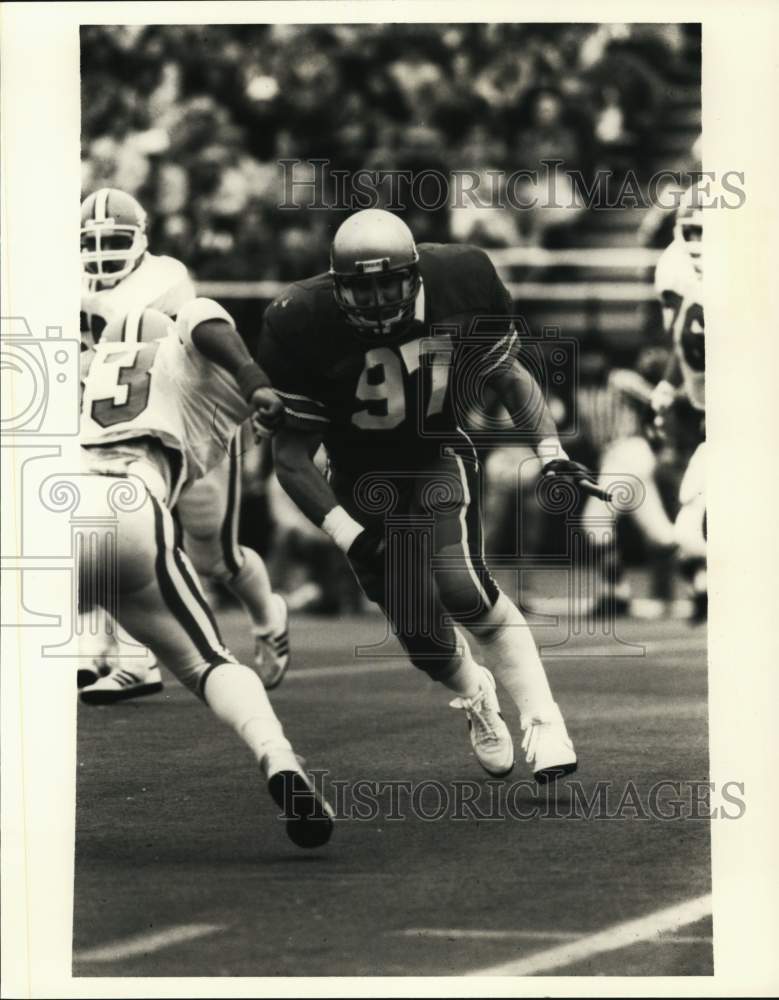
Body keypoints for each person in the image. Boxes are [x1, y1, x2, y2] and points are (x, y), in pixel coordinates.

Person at [255, 208, 598, 783]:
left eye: (389, 284)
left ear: (415, 276)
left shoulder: (461, 280)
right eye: (362, 289)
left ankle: (545, 722)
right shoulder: (299, 320)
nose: (377, 301)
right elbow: (290, 457)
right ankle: (476, 693)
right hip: (359, 477)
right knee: (421, 636)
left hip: (434, 450)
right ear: (337, 288)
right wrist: (351, 535)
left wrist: (551, 453)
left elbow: (508, 375)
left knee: (463, 587)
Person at [79, 303, 333, 848]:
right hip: (131, 505)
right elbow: (201, 319)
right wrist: (256, 382)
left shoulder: (86, 373)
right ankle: (279, 758)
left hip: (53, 506)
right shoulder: (187, 362)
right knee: (208, 662)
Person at [79, 187, 289, 701]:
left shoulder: (163, 277)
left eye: (115, 240)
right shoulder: (70, 283)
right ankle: (126, 657)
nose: (102, 252)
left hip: (189, 424)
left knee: (218, 559)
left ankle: (268, 615)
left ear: (141, 239)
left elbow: (168, 337)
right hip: (123, 429)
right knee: (117, 522)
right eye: (92, 242)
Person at [651, 184, 707, 620]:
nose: (698, 243)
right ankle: (704, 584)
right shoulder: (675, 268)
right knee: (689, 523)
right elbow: (684, 341)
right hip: (715, 414)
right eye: (692, 232)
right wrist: (670, 386)